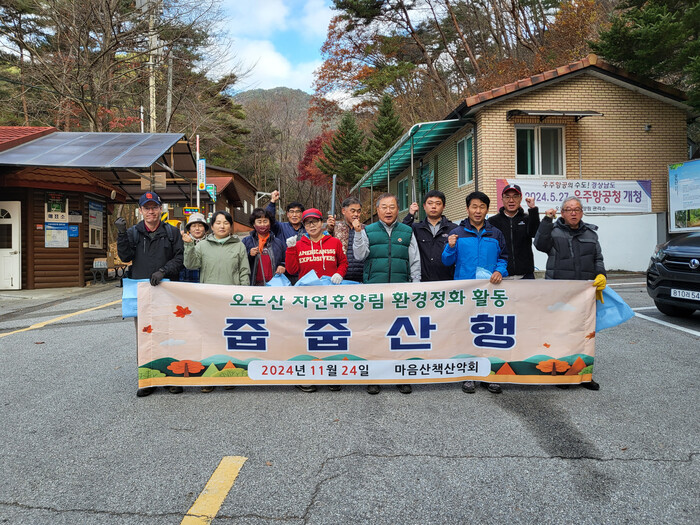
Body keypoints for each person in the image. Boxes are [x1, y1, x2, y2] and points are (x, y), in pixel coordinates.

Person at [534, 197, 606, 391]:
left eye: (577, 209)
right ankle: (562, 374)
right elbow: (539, 244)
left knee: (585, 334)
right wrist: (546, 220)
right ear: (562, 213)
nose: (573, 212)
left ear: (582, 212)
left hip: (584, 293)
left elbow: (598, 258)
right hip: (560, 293)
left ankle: (585, 375)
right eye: (568, 209)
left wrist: (601, 275)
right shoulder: (553, 231)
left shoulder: (591, 234)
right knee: (561, 333)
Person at [116, 191, 184, 397]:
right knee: (145, 336)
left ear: (160, 209)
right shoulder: (133, 233)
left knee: (168, 334)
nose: (151, 211)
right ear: (141, 210)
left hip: (167, 291)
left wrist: (164, 270)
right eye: (147, 208)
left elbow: (179, 258)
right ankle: (147, 379)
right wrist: (121, 234)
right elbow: (125, 256)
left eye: (154, 207)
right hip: (142, 293)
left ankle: (171, 377)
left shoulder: (172, 232)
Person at [353, 193, 421, 395]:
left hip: (401, 292)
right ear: (377, 210)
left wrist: (415, 286)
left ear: (398, 209)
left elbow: (414, 261)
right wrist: (358, 233)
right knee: (375, 335)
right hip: (375, 291)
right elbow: (359, 255)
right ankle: (374, 377)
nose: (388, 211)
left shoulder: (407, 231)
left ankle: (401, 376)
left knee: (400, 336)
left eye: (392, 207)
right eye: (384, 207)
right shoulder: (368, 230)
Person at [442, 191, 508, 395]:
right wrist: (450, 247)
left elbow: (504, 258)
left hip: (490, 292)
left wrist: (500, 271)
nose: (478, 211)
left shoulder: (495, 233)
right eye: (474, 206)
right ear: (467, 209)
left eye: (482, 207)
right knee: (467, 331)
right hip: (466, 292)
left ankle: (490, 374)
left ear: (487, 209)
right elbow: (446, 261)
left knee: (489, 331)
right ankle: (468, 374)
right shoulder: (457, 233)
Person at [285, 208, 348, 393]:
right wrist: (290, 249)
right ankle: (306, 375)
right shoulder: (299, 244)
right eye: (307, 223)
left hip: (330, 297)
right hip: (307, 298)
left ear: (322, 223)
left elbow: (343, 262)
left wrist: (339, 273)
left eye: (315, 221)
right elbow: (291, 270)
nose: (311, 225)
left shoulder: (334, 242)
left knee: (329, 334)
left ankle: (332, 373)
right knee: (308, 335)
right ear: (304, 226)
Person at [402, 190, 458, 282]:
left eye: (438, 203)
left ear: (444, 206)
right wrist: (411, 214)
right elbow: (401, 232)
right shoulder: (416, 228)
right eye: (430, 203)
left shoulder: (453, 229)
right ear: (424, 206)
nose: (433, 206)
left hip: (447, 281)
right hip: (423, 281)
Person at [487, 184, 540, 280]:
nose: (511, 200)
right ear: (502, 199)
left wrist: (533, 209)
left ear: (520, 199)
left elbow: (535, 233)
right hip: (501, 276)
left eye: (515, 196)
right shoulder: (492, 221)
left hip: (526, 275)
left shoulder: (527, 218)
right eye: (507, 197)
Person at [183, 211, 250, 286]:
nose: (222, 226)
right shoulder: (202, 245)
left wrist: (244, 290)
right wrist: (189, 245)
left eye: (226, 223)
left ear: (231, 227)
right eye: (218, 223)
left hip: (231, 291)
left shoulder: (239, 246)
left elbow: (244, 271)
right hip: (209, 291)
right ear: (212, 226)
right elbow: (190, 265)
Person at [242, 208, 286, 286]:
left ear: (270, 223)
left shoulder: (278, 242)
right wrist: (249, 255)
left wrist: (282, 266)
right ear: (254, 224)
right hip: (253, 284)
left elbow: (284, 260)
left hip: (274, 284)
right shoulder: (246, 241)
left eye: (265, 221)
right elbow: (240, 263)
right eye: (259, 222)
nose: (262, 224)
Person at [326, 196, 365, 282]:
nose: (356, 214)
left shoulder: (365, 229)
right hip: (340, 276)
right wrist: (329, 229)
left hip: (362, 275)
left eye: (358, 211)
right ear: (344, 211)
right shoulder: (335, 228)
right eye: (353, 211)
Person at [179, 213, 209, 283]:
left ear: (205, 229)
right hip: (187, 280)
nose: (197, 228)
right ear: (189, 229)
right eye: (194, 226)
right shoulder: (181, 241)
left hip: (206, 281)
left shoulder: (211, 242)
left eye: (200, 226)